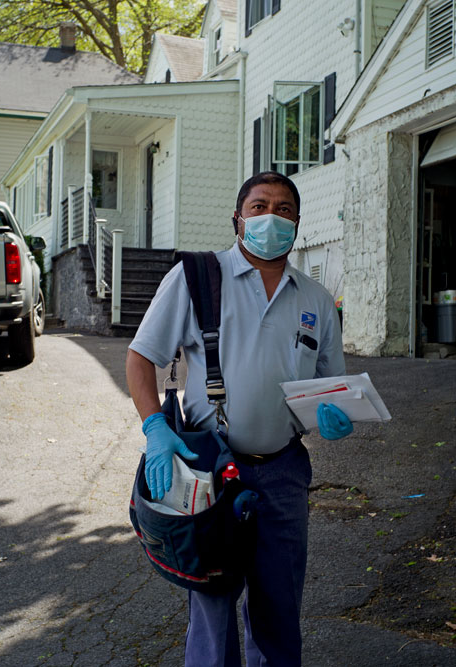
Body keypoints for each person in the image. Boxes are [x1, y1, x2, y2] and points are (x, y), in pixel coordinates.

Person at [126, 171, 352, 666]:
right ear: (238, 218)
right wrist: (155, 428)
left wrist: (331, 414)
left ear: (297, 223)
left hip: (284, 471)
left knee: (279, 606)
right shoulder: (196, 278)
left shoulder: (315, 299)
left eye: (284, 209)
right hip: (211, 470)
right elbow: (140, 358)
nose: (272, 216)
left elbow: (328, 386)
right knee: (212, 608)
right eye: (259, 206)